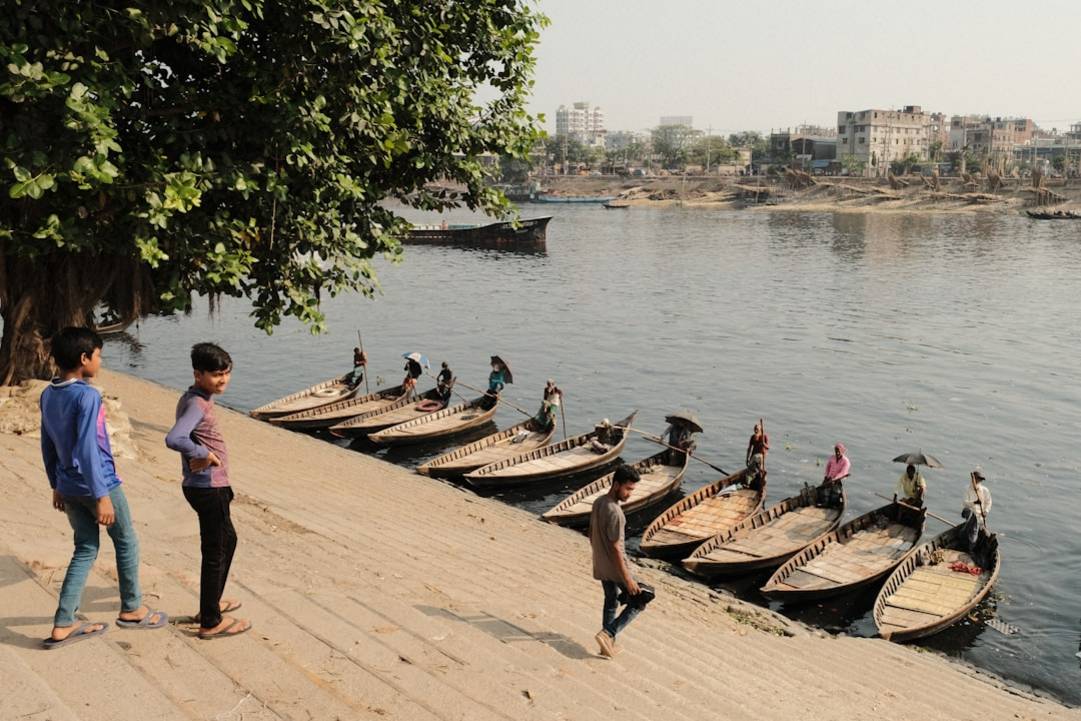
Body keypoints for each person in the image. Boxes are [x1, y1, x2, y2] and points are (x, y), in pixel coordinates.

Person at [39, 327, 167, 649]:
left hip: (68, 484)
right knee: (126, 540)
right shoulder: (87, 395)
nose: (100, 362)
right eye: (99, 356)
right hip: (97, 484)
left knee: (85, 547)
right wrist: (102, 496)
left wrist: (56, 484)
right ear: (84, 359)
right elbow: (87, 449)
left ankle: (63, 624)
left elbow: (47, 444)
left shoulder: (48, 394)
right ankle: (133, 608)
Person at [165, 343, 251, 639]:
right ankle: (210, 621)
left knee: (228, 540)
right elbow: (174, 437)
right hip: (208, 487)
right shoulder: (196, 404)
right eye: (216, 375)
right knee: (216, 550)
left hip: (209, 486)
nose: (223, 380)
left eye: (227, 374)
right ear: (197, 374)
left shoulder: (197, 398)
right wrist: (203, 452)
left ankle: (210, 604)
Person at [590, 464, 647, 658]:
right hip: (615, 568)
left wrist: (599, 557)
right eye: (628, 488)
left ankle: (606, 646)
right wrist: (628, 579)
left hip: (601, 564)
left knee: (611, 601)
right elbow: (616, 548)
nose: (630, 493)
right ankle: (608, 633)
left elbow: (592, 535)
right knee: (640, 601)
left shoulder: (598, 502)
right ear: (616, 485)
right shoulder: (615, 512)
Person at [961, 467, 992, 553]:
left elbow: (988, 502)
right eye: (977, 479)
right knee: (971, 517)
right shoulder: (967, 489)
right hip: (967, 512)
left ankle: (970, 546)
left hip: (979, 515)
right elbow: (964, 503)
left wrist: (986, 511)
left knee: (974, 527)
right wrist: (974, 503)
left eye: (979, 480)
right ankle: (967, 537)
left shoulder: (985, 491)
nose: (978, 481)